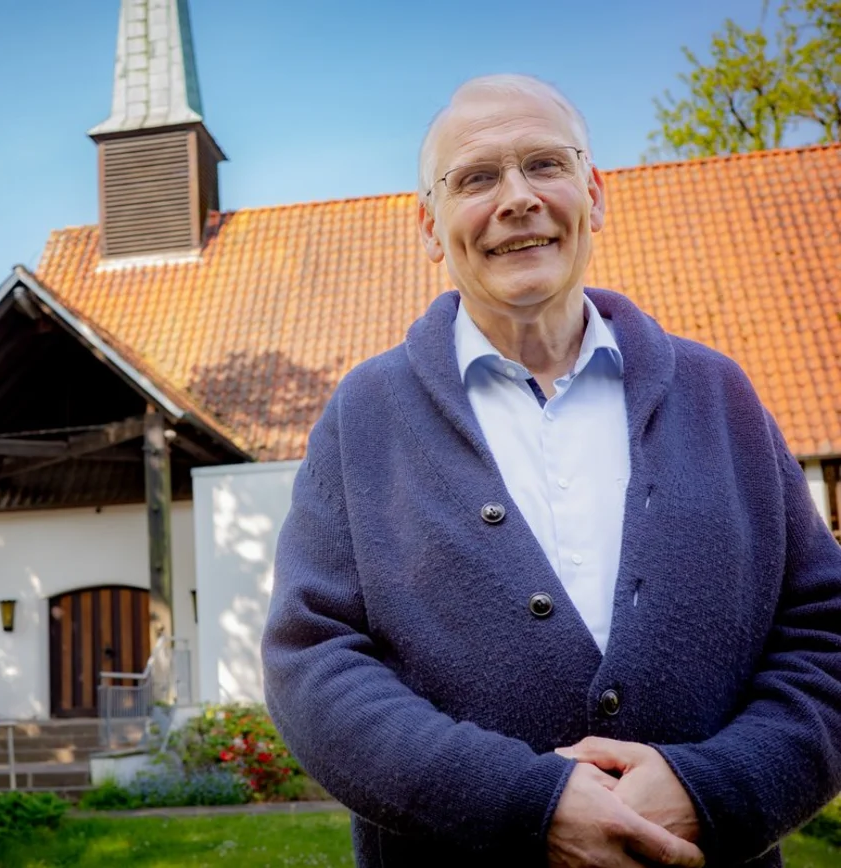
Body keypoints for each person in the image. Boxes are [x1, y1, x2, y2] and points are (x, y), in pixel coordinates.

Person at [260, 73, 841, 868]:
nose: (517, 198)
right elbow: (311, 663)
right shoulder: (363, 416)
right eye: (475, 178)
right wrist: (522, 805)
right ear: (428, 226)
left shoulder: (721, 397)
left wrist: (714, 788)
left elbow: (825, 635)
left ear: (594, 194)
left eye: (544, 164)